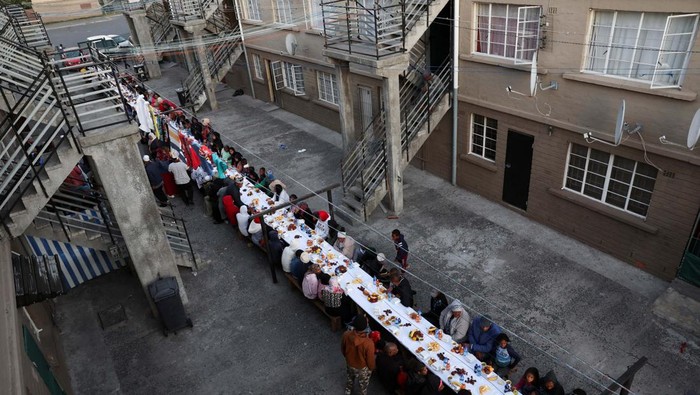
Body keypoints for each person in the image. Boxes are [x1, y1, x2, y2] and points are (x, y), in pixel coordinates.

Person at [341, 315, 375, 395]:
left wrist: (347, 357)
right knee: (363, 384)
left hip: (349, 363)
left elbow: (343, 349)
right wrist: (372, 368)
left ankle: (348, 390)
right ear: (365, 327)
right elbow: (370, 360)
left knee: (350, 377)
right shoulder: (368, 343)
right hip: (362, 368)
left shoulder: (346, 335)